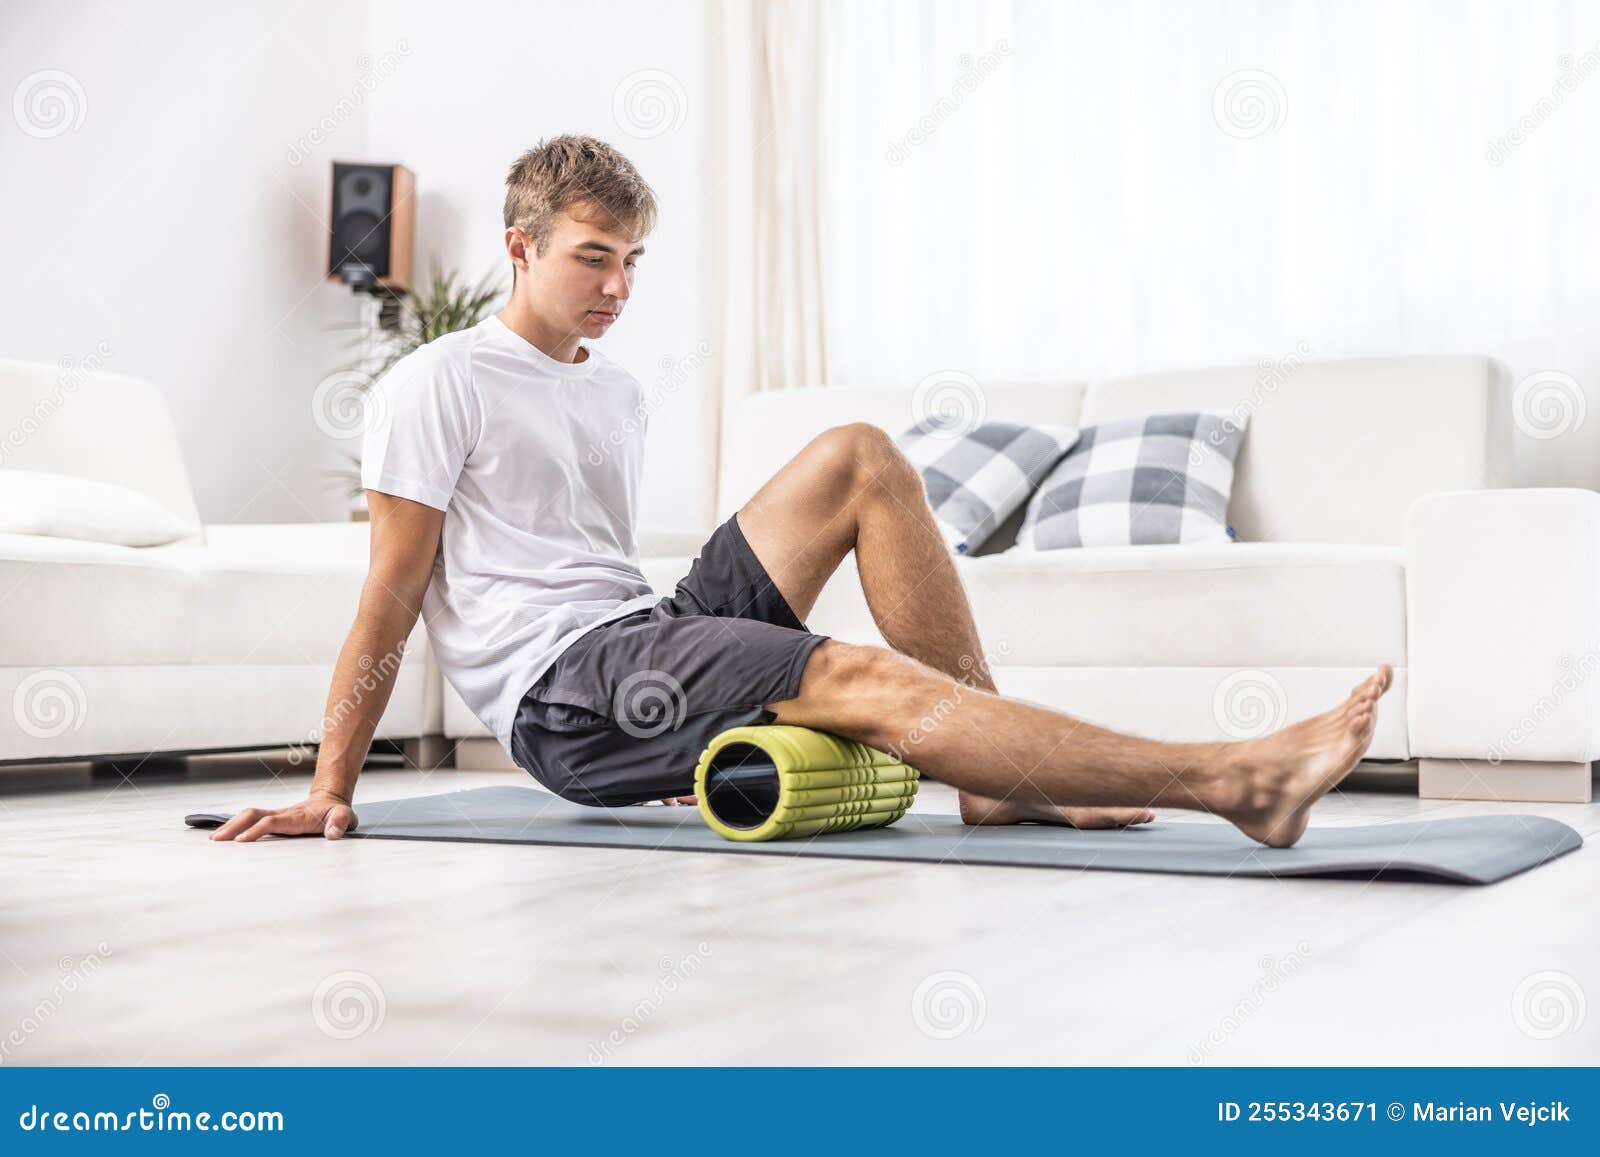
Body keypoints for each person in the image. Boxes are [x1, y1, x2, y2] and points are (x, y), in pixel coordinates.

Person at [212, 135, 1390, 850]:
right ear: (520, 247)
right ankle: (1232, 778)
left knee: (858, 453)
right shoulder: (438, 379)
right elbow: (388, 599)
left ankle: (996, 788)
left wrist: (676, 685)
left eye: (632, 261)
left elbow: (606, 573)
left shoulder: (611, 387)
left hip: (635, 638)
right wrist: (328, 789)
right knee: (858, 673)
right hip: (561, 692)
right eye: (591, 257)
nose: (618, 286)